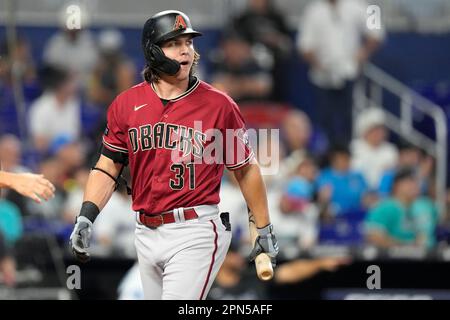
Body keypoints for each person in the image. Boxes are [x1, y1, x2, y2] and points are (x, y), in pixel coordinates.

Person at [69, 10, 278, 300]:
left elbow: (246, 168)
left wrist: (264, 227)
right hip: (144, 229)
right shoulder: (126, 104)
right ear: (153, 51)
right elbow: (108, 166)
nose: (185, 50)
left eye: (188, 43)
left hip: (195, 229)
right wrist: (86, 216)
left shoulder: (219, 105)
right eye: (174, 43)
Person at [297, 0, 384, 144]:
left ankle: (347, 153)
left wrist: (363, 52)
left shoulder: (358, 6)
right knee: (324, 121)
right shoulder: (313, 10)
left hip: (349, 74)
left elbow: (377, 32)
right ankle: (326, 157)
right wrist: (318, 63)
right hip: (322, 77)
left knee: (348, 119)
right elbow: (304, 46)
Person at [365, 167, 438, 249]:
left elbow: (444, 220)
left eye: (416, 181)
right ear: (396, 185)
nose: (414, 185)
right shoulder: (385, 207)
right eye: (409, 181)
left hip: (432, 254)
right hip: (398, 256)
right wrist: (407, 246)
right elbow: (374, 236)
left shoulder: (426, 205)